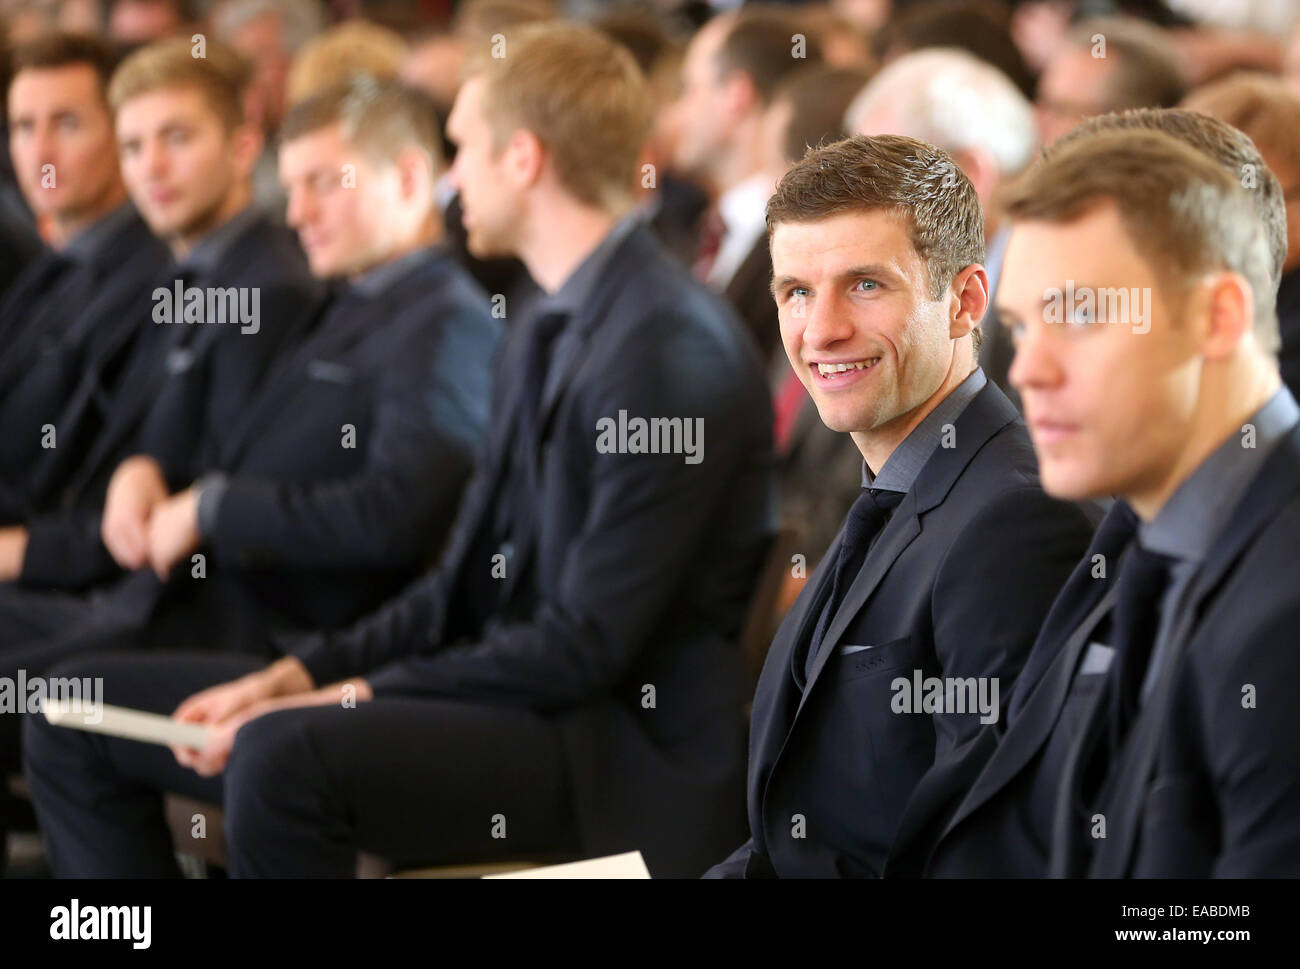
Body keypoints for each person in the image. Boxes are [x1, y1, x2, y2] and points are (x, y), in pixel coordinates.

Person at [25, 22, 775, 880]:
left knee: (280, 757)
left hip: (612, 742)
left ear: (522, 159)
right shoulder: (547, 311)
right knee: (75, 710)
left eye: (461, 148)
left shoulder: (664, 345)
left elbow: (586, 644)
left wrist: (352, 693)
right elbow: (457, 586)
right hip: (536, 697)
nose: (451, 178)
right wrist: (297, 672)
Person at [703, 134, 1095, 878]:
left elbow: (983, 859)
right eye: (797, 292)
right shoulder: (898, 485)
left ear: (966, 301)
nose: (821, 331)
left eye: (866, 285)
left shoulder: (1016, 523)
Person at [911, 129, 1300, 877]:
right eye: (1022, 328)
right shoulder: (1181, 538)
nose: (1028, 371)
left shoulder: (1281, 603)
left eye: (1081, 316)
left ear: (1218, 318)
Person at [0, 38, 323, 615]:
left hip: (165, 603)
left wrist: (37, 552)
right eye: (133, 146)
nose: (152, 167)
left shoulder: (266, 291)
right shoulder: (186, 276)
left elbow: (210, 494)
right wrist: (139, 466)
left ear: (244, 145)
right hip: (105, 579)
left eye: (177, 139)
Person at [0, 33, 170, 525]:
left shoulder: (154, 279)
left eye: (67, 124)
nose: (40, 154)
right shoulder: (55, 265)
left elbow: (57, 479)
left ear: (124, 136)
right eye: (23, 127)